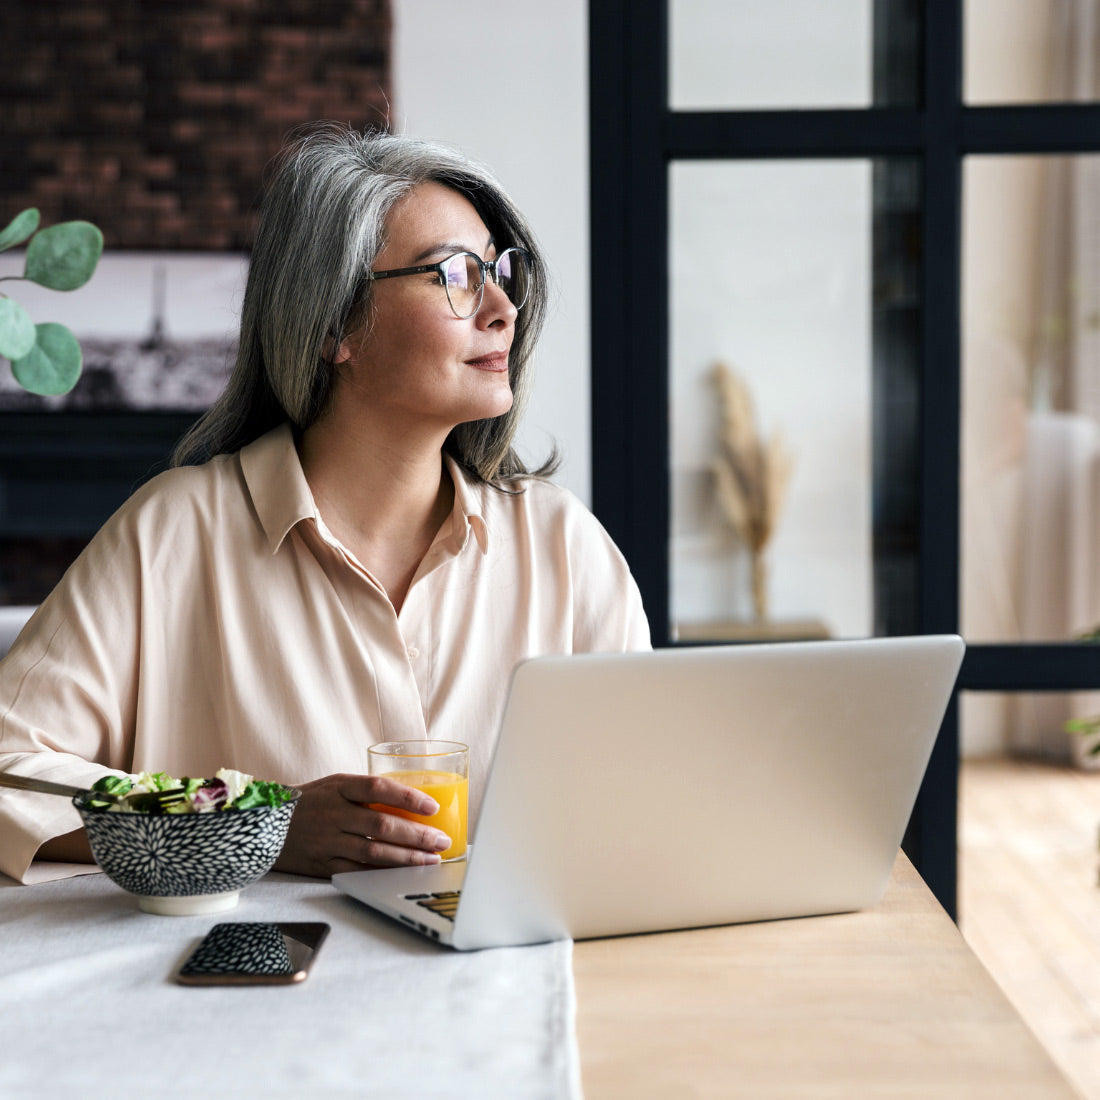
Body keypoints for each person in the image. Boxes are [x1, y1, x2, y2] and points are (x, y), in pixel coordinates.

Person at [0, 123, 650, 884]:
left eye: (502, 270)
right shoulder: (174, 531)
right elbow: (12, 774)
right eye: (456, 274)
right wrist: (252, 825)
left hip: (515, 983)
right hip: (255, 993)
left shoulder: (561, 543)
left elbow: (650, 793)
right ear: (335, 322)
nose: (503, 306)